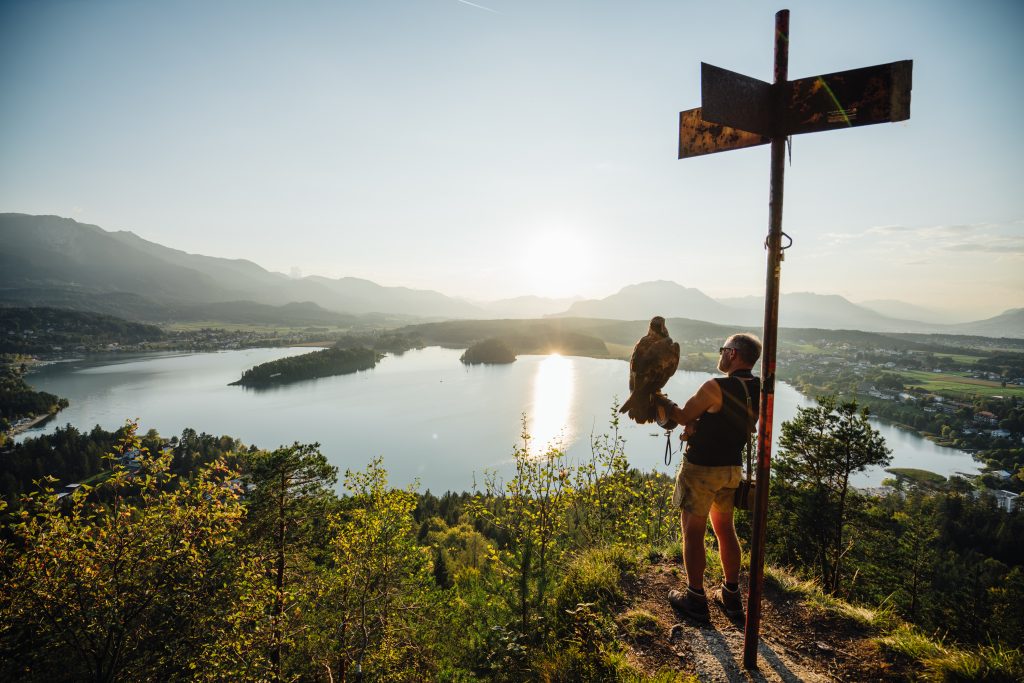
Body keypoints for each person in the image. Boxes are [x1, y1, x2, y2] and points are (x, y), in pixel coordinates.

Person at [659, 333, 761, 623]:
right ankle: (730, 595)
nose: (721, 354)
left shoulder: (715, 386)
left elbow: (679, 415)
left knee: (692, 532)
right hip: (732, 470)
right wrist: (701, 424)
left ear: (733, 354)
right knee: (725, 529)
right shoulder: (758, 388)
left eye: (723, 349)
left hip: (702, 469)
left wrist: (657, 398)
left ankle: (695, 598)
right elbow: (737, 423)